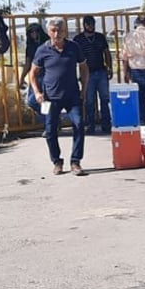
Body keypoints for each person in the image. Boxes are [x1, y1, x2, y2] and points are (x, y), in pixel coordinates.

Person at [29, 16, 89, 175]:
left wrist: (84, 88)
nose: (57, 34)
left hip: (72, 96)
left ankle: (75, 162)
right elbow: (33, 73)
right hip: (51, 97)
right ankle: (57, 161)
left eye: (60, 30)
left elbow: (84, 68)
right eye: (53, 30)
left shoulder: (74, 47)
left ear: (65, 31)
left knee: (78, 125)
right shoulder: (42, 50)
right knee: (50, 131)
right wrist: (37, 92)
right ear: (48, 32)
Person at [73, 15, 113, 134]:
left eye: (92, 24)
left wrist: (109, 67)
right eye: (88, 24)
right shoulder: (78, 39)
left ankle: (106, 124)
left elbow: (106, 53)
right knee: (89, 101)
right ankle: (90, 125)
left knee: (105, 99)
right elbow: (74, 58)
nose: (91, 26)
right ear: (84, 25)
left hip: (101, 71)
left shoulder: (100, 37)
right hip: (87, 74)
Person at [19, 22, 49, 122]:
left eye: (36, 31)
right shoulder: (30, 46)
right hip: (35, 76)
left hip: (47, 75)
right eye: (31, 32)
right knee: (31, 101)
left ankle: (50, 124)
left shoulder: (47, 43)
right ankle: (51, 119)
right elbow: (28, 62)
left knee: (45, 101)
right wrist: (22, 77)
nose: (34, 34)